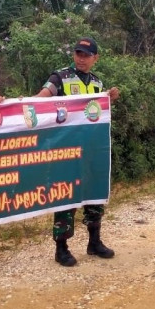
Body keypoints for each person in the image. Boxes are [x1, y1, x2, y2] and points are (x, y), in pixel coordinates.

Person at [35, 37, 120, 267]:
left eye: (86, 55)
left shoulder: (97, 83)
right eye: (78, 54)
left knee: (94, 193)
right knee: (66, 195)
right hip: (66, 150)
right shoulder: (60, 77)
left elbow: (99, 111)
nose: (81, 59)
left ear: (95, 58)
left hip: (92, 148)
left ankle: (94, 242)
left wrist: (108, 98)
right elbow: (40, 100)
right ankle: (61, 248)